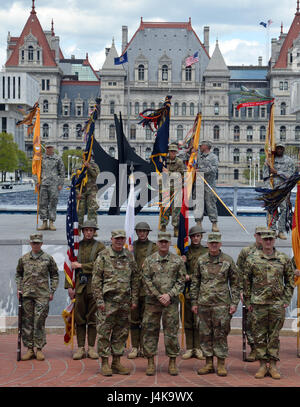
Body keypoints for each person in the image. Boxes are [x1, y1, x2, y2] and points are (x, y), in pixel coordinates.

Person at [243, 229, 295, 379]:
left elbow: (290, 281)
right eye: (265, 239)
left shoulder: (283, 259)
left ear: (274, 240)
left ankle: (272, 365)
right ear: (261, 240)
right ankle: (261, 365)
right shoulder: (252, 259)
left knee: (273, 336)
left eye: (270, 239)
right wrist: (248, 301)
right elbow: (246, 281)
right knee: (259, 336)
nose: (268, 241)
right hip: (258, 304)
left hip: (276, 304)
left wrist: (286, 300)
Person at [190, 232, 240, 377]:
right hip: (204, 304)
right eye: (211, 243)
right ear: (207, 244)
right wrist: (194, 302)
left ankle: (221, 364)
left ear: (220, 244)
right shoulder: (201, 260)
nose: (213, 245)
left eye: (216, 243)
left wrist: (234, 302)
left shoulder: (227, 260)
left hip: (222, 304)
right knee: (205, 335)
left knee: (221, 334)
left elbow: (235, 283)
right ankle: (208, 363)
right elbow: (195, 282)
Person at [92, 230, 139, 376]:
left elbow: (136, 278)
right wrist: (99, 300)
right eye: (117, 239)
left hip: (124, 302)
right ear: (111, 239)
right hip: (107, 302)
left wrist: (134, 298)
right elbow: (96, 280)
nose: (119, 241)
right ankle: (105, 363)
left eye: (122, 239)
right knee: (104, 332)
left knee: (121, 333)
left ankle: (116, 362)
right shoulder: (103, 256)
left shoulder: (129, 256)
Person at [142, 232, 186, 376]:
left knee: (171, 332)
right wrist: (158, 295)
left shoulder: (177, 261)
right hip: (152, 302)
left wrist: (169, 294)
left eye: (166, 242)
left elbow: (181, 280)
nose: (163, 244)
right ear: (157, 243)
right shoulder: (149, 260)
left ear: (170, 243)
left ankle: (172, 362)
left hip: (171, 302)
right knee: (150, 331)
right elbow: (146, 280)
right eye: (161, 241)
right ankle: (150, 362)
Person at [64, 220, 105, 360]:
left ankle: (92, 348)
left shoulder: (100, 247)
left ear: (94, 231)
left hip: (94, 287)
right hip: (80, 288)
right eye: (86, 230)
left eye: (91, 230)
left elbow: (100, 265)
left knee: (93, 319)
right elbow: (69, 267)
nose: (88, 232)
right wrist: (69, 286)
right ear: (82, 231)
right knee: (80, 319)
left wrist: (81, 265)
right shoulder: (76, 246)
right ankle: (81, 347)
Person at [15, 233, 59, 361]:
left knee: (39, 321)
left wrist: (52, 291)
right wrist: (19, 287)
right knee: (27, 322)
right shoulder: (23, 259)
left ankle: (39, 349)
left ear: (41, 243)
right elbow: (18, 274)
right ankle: (29, 349)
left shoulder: (48, 258)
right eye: (34, 243)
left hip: (42, 295)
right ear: (30, 243)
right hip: (27, 295)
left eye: (38, 243)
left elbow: (55, 275)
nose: (36, 245)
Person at [236, 225, 268, 362]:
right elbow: (239, 272)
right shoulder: (246, 252)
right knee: (250, 323)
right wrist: (241, 291)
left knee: (266, 323)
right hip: (251, 294)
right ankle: (254, 348)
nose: (261, 237)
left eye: (264, 234)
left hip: (267, 294)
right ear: (255, 235)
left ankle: (265, 349)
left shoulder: (270, 251)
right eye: (259, 234)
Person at [127, 222, 158, 359]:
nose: (142, 233)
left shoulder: (154, 248)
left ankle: (146, 346)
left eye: (144, 231)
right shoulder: (131, 247)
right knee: (134, 319)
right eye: (139, 231)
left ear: (148, 232)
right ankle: (135, 347)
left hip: (148, 289)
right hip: (134, 288)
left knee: (147, 320)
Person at [181, 225, 207, 360]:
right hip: (188, 291)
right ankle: (190, 348)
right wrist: (182, 263)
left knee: (199, 321)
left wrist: (190, 277)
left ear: (201, 237)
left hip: (202, 291)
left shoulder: (206, 252)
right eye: (193, 236)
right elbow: (179, 272)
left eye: (198, 236)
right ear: (190, 238)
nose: (195, 238)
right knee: (187, 321)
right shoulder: (185, 251)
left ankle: (198, 348)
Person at [262, 143, 295, 240]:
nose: (279, 150)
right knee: (271, 209)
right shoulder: (270, 160)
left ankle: (281, 230)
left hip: (283, 189)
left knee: (284, 209)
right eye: (278, 148)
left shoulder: (289, 161)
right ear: (275, 149)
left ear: (284, 149)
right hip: (272, 189)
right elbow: (265, 175)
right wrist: (269, 188)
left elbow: (290, 176)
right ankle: (272, 230)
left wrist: (277, 172)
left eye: (281, 148)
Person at [36, 142, 65, 231]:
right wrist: (37, 182)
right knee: (43, 203)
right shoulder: (40, 158)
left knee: (53, 203)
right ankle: (44, 222)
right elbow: (36, 170)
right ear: (46, 148)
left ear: (53, 148)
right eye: (47, 148)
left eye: (51, 148)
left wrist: (60, 184)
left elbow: (62, 172)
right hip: (43, 184)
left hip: (54, 185)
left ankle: (51, 222)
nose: (49, 149)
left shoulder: (58, 158)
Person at [160, 143, 185, 237]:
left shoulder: (179, 162)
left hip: (176, 188)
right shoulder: (164, 161)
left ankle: (176, 228)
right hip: (166, 187)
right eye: (171, 151)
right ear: (168, 152)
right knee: (165, 208)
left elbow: (180, 175)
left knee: (176, 209)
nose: (173, 153)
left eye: (174, 151)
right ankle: (163, 226)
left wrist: (168, 173)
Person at [195, 140, 219, 232]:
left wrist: (201, 171)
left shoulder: (213, 157)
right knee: (198, 204)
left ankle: (214, 223)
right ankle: (198, 223)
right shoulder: (198, 157)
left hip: (209, 184)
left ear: (206, 147)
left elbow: (214, 169)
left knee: (211, 204)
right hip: (198, 184)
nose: (200, 147)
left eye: (201, 146)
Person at [75, 155, 100, 235]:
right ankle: (79, 229)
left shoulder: (94, 165)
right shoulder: (78, 165)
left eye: (88, 156)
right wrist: (76, 192)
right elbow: (74, 180)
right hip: (81, 191)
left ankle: (92, 229)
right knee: (79, 211)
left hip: (91, 191)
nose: (86, 157)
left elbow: (96, 175)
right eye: (85, 156)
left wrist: (88, 167)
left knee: (92, 210)